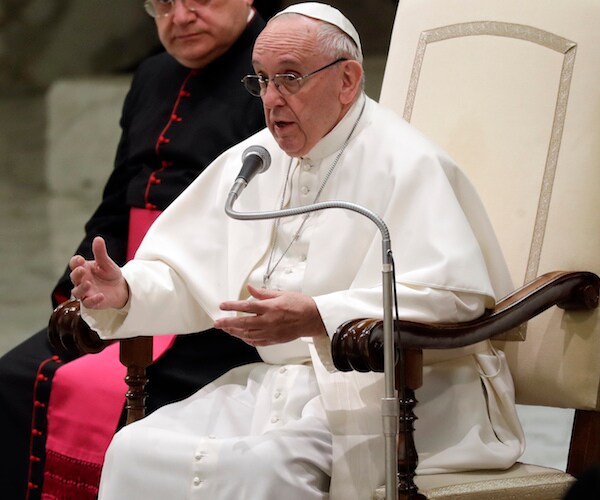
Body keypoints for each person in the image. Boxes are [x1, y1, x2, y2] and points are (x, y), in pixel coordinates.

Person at [70, 3, 525, 499]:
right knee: (137, 447)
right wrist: (128, 292)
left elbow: (453, 298)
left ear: (347, 79)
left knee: (262, 466)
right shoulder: (257, 158)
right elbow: (188, 274)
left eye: (289, 78)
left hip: (396, 392)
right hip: (279, 384)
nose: (271, 99)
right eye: (261, 80)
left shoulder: (407, 163)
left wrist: (319, 316)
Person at [0, 0, 274, 498]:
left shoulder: (277, 76)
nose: (181, 16)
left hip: (211, 303)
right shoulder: (152, 73)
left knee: (139, 406)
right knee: (16, 376)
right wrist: (75, 287)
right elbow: (119, 195)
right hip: (121, 282)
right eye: (163, 4)